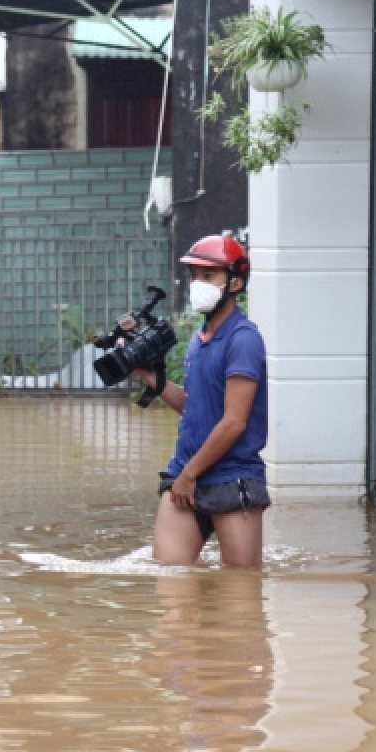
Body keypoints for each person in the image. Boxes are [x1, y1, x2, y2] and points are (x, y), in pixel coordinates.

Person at [133, 234, 270, 568]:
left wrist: (190, 475)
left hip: (230, 477)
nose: (198, 283)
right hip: (185, 474)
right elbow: (195, 407)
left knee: (240, 592)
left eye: (208, 276)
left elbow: (234, 421)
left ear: (235, 282)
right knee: (171, 586)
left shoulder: (243, 340)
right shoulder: (199, 339)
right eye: (194, 276)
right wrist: (150, 378)